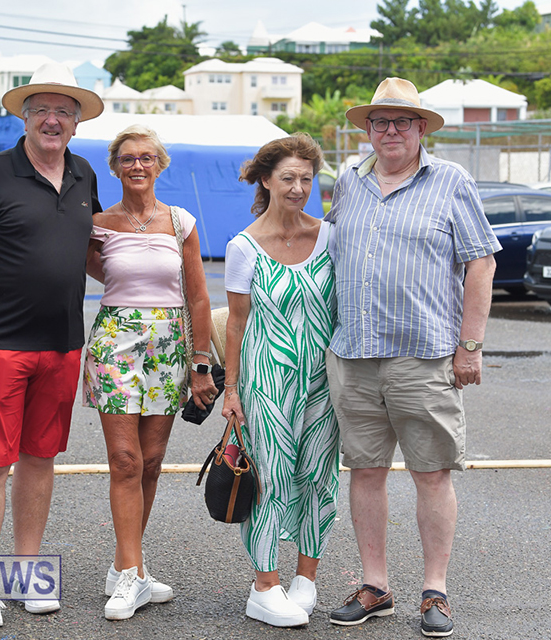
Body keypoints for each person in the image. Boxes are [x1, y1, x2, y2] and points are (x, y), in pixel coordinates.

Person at [325, 77, 500, 638]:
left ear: (422, 127)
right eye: (381, 121)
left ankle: (436, 591)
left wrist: (469, 345)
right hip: (353, 355)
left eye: (403, 120)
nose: (391, 130)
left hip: (424, 358)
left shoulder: (451, 181)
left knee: (431, 475)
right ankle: (374, 587)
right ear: (368, 129)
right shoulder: (347, 183)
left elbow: (481, 263)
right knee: (366, 473)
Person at [0, 62, 104, 629]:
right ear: (25, 118)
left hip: (62, 346)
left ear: (77, 123)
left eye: (64, 111)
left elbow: (91, 252)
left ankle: (27, 571)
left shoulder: (84, 175)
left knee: (40, 459)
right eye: (42, 111)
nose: (53, 120)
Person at [83, 124, 217, 621]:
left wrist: (201, 364)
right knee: (124, 459)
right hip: (115, 344)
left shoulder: (180, 222)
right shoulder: (96, 223)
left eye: (146, 158)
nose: (136, 166)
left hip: (169, 345)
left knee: (153, 460)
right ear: (114, 167)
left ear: (160, 165)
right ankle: (131, 572)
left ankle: (128, 567)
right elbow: (98, 270)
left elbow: (199, 295)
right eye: (127, 159)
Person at [221, 133, 340, 628]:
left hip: (322, 379)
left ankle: (305, 578)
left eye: (306, 179)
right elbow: (235, 322)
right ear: (266, 180)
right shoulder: (243, 246)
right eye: (288, 178)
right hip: (266, 379)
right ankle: (264, 585)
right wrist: (230, 389)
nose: (297, 188)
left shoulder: (330, 235)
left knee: (319, 474)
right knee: (270, 477)